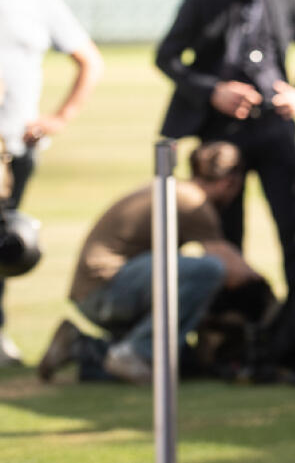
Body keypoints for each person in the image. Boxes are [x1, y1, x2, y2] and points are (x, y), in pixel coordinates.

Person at [155, 0, 295, 294]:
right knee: (225, 234)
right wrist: (212, 90)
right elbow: (166, 57)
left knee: (294, 229)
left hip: (275, 128)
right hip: (220, 136)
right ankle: (233, 327)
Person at [36, 141, 261, 384]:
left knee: (185, 359)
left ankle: (79, 345)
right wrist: (274, 306)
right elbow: (233, 271)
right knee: (208, 270)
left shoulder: (176, 189)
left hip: (96, 293)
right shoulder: (193, 203)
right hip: (108, 292)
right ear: (229, 182)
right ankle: (136, 353)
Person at [0, 0, 103, 365]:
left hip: (14, 149)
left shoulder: (40, 3)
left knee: (6, 242)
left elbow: (89, 62)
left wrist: (60, 117)